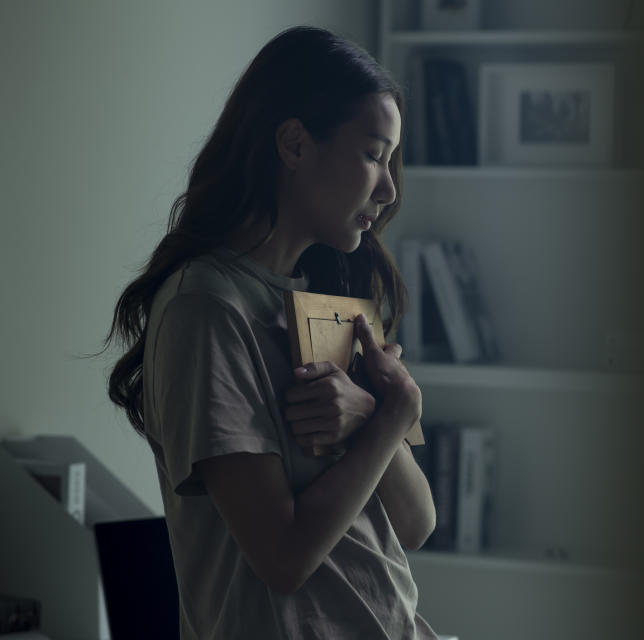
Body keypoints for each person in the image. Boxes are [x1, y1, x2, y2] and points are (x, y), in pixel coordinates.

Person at [99, 26, 440, 639]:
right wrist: (392, 416)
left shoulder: (331, 305)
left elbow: (415, 525)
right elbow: (282, 559)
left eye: (391, 161)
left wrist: (371, 415)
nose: (389, 189)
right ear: (293, 143)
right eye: (373, 154)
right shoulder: (205, 308)